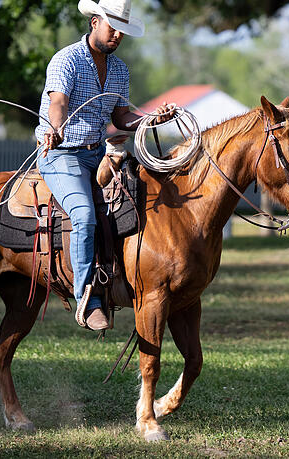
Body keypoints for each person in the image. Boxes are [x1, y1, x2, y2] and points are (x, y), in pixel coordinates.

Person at [35, 0, 171, 330]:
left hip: (100, 155)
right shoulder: (66, 59)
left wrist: (153, 119)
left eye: (122, 31)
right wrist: (54, 128)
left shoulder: (120, 70)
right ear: (95, 22)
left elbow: (121, 117)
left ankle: (125, 276)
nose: (117, 36)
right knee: (83, 214)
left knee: (145, 201)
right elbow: (59, 102)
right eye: (113, 28)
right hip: (61, 155)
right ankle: (89, 298)